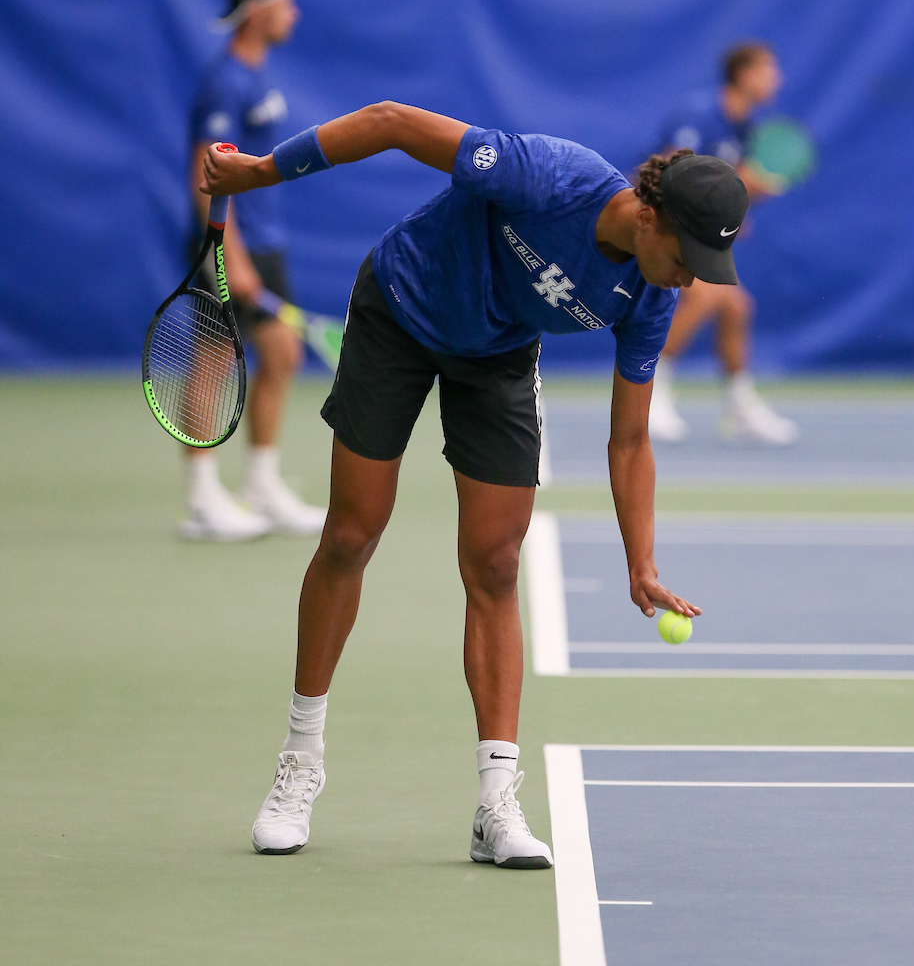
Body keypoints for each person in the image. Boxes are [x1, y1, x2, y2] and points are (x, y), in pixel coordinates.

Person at [200, 103, 748, 865]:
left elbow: (629, 440)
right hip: (400, 308)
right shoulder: (546, 175)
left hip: (495, 356)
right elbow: (392, 121)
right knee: (352, 534)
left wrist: (641, 561)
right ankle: (301, 759)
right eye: (687, 255)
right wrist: (260, 173)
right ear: (650, 216)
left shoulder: (652, 298)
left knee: (495, 563)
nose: (691, 278)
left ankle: (496, 803)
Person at [183, 0, 327, 541]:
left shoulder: (256, 71)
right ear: (255, 11)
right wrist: (229, 254)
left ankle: (261, 486)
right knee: (216, 362)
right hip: (231, 243)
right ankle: (200, 498)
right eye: (285, 2)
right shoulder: (225, 82)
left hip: (264, 243)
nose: (293, 12)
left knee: (283, 355)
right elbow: (205, 170)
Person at [645, 42, 799, 446]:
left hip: (695, 231)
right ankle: (649, 394)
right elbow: (669, 170)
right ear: (744, 74)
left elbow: (738, 182)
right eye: (770, 69)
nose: (777, 79)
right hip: (657, 221)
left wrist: (747, 199)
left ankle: (739, 406)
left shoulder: (745, 127)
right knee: (705, 299)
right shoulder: (701, 113)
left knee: (735, 307)